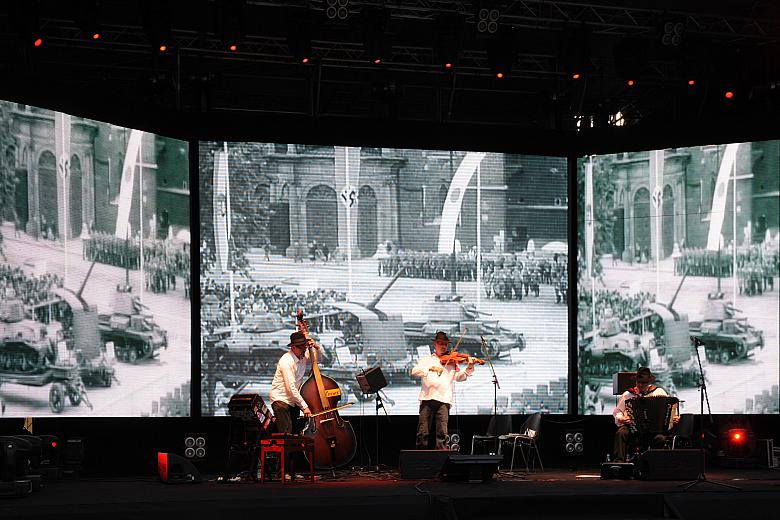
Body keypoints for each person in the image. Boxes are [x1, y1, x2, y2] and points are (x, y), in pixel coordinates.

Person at [411, 331, 476, 449]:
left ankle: (441, 458)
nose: (443, 346)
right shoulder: (427, 360)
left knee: (442, 433)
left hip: (444, 399)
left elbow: (459, 377)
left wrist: (469, 367)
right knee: (422, 432)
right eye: (440, 343)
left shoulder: (452, 361)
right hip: (427, 399)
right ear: (435, 344)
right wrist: (431, 368)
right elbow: (414, 371)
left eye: (445, 344)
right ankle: (420, 456)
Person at [612, 367, 680, 462]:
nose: (640, 385)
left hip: (654, 431)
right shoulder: (628, 394)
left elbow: (670, 407)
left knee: (660, 439)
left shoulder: (659, 392)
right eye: (638, 382)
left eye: (643, 382)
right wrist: (621, 418)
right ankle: (619, 463)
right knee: (621, 433)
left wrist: (674, 417)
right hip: (633, 429)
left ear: (648, 382)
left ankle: (656, 465)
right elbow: (617, 411)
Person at [268, 331, 320, 435]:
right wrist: (305, 407)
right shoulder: (287, 361)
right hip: (281, 399)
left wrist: (317, 347)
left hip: (293, 400)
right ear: (293, 347)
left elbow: (316, 360)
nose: (304, 350)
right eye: (301, 347)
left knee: (295, 432)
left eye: (304, 347)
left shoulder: (302, 357)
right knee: (286, 433)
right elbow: (290, 388)